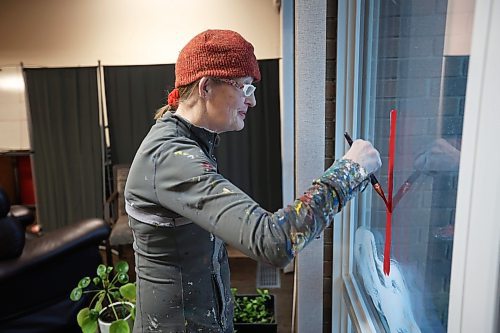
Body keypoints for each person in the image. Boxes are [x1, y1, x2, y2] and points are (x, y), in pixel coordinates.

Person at [124, 29, 382, 332]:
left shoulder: (190, 143)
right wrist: (349, 171)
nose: (253, 101)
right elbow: (274, 242)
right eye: (245, 88)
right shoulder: (170, 157)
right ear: (206, 87)